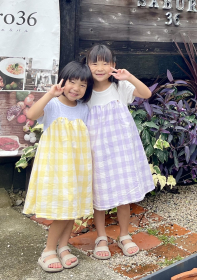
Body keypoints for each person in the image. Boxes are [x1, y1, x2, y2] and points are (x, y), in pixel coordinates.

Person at [23, 61, 94, 272]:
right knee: (62, 210)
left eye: (82, 85)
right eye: (72, 82)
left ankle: (63, 247)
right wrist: (49, 94)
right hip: (55, 166)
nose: (76, 88)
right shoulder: (53, 104)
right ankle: (48, 251)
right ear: (63, 81)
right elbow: (31, 115)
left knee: (71, 207)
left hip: (76, 166)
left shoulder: (83, 109)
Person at [84, 44, 154, 259]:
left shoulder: (119, 87)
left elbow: (146, 93)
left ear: (113, 65)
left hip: (122, 149)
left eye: (105, 62)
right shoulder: (84, 91)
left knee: (124, 194)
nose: (100, 67)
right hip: (97, 150)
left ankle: (124, 235)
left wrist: (129, 77)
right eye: (94, 62)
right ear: (87, 65)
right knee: (100, 195)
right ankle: (101, 237)